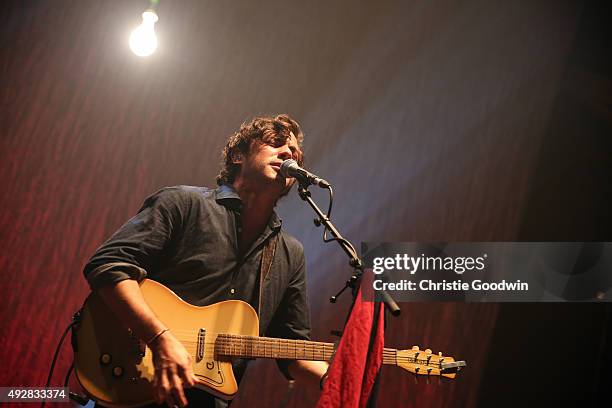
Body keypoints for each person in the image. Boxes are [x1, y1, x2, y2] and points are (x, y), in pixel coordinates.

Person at [83, 114, 328, 407]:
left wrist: (342, 373)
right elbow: (108, 265)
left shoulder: (291, 254)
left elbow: (295, 352)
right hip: (135, 380)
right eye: (276, 143)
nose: (289, 153)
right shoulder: (183, 204)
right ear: (238, 155)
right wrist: (160, 339)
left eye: (295, 152)